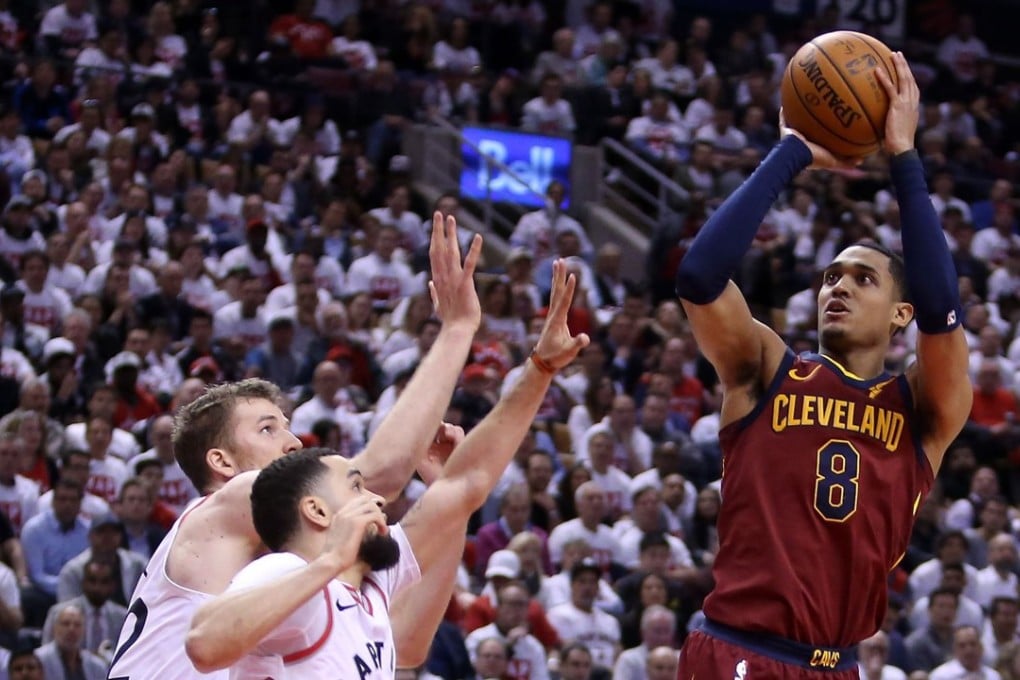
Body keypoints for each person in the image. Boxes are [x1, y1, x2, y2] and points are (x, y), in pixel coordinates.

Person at [674, 53, 971, 677]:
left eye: (863, 279)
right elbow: (699, 277)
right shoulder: (767, 369)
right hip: (740, 650)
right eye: (831, 276)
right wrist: (792, 153)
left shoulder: (922, 410)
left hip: (838, 665)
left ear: (901, 313)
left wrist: (904, 158)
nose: (838, 287)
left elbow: (943, 310)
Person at [108, 214, 489, 678]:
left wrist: (451, 501)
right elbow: (382, 473)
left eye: (287, 427)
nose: (292, 442)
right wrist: (456, 331)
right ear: (221, 461)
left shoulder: (296, 561)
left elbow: (404, 642)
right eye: (268, 429)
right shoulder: (226, 504)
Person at [182, 259, 588, 676]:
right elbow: (203, 644)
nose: (377, 499)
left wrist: (540, 368)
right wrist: (330, 560)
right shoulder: (288, 569)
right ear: (317, 511)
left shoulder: (370, 587)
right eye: (355, 488)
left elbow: (468, 482)